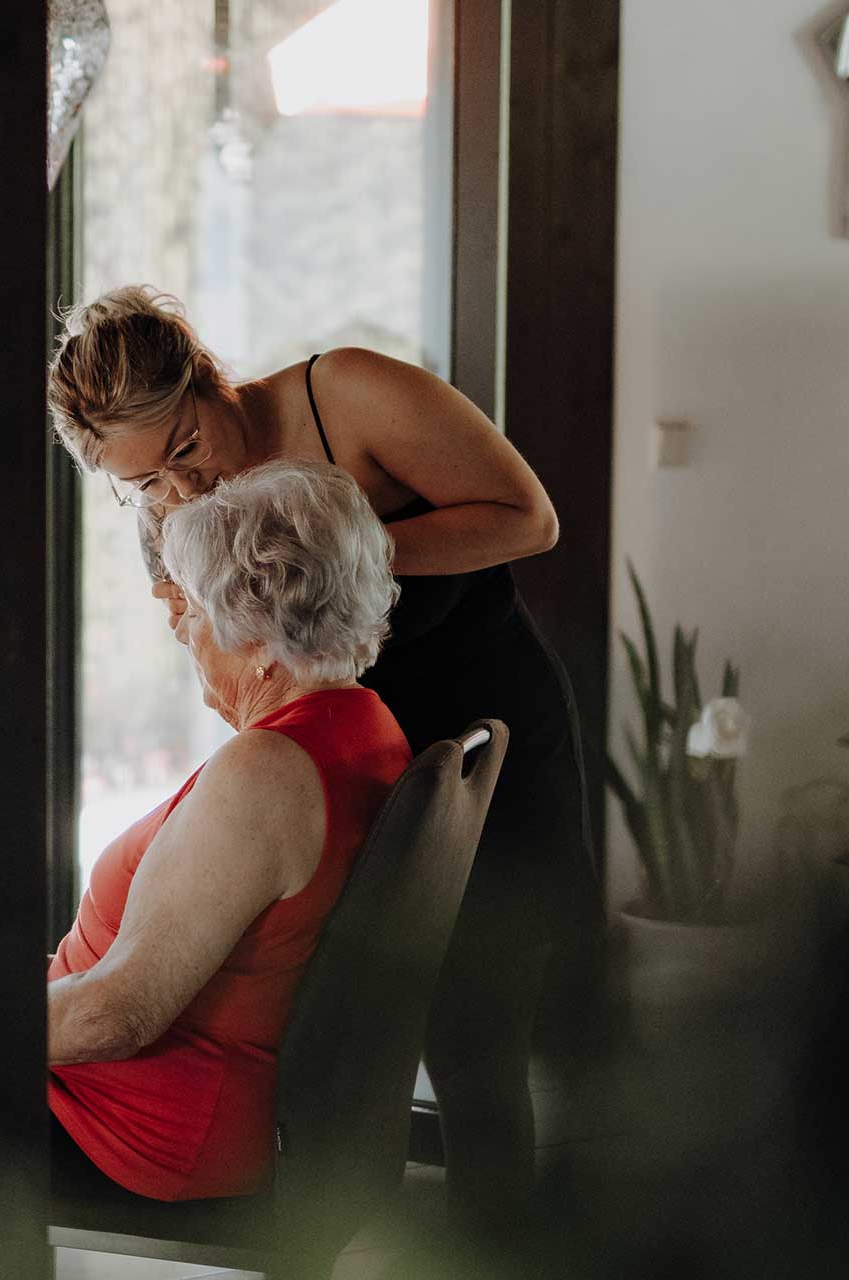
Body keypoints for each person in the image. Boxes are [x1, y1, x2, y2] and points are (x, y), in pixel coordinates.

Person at [49, 286, 600, 1229]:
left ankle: (510, 1246)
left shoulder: (344, 396)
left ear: (208, 379)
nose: (182, 490)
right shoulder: (179, 510)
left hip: (480, 726)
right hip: (348, 751)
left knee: (479, 1039)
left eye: (184, 450)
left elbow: (530, 518)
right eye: (147, 485)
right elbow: (207, 639)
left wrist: (332, 559)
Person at [47, 459, 411, 1200]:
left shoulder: (268, 775)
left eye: (193, 607)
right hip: (170, 1092)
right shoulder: (365, 720)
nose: (180, 627)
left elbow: (120, 1013)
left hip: (129, 1121)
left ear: (262, 644)